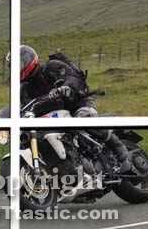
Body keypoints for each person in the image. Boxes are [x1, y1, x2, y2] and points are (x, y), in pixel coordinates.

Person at [12, 45, 131, 173]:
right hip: (53, 116)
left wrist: (66, 86)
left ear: (30, 60)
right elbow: (25, 107)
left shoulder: (51, 67)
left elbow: (73, 78)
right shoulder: (24, 90)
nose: (18, 68)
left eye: (20, 64)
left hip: (76, 103)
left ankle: (120, 151)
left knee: (83, 118)